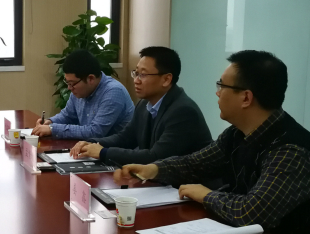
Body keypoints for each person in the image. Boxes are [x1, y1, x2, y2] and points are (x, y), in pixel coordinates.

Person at [114, 50, 310, 234]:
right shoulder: (238, 133)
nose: (217, 92)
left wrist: (206, 195)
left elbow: (252, 212)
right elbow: (196, 163)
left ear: (246, 98)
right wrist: (154, 169)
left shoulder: (290, 151)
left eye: (222, 85)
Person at [69, 46, 211, 164]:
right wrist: (93, 143)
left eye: (143, 75)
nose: (136, 80)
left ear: (166, 79)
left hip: (189, 186)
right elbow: (125, 138)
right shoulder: (144, 104)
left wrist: (103, 152)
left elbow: (155, 157)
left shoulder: (183, 111)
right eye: (136, 73)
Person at [32, 49, 134, 139]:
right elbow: (67, 115)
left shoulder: (113, 92)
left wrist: (53, 129)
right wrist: (50, 122)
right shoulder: (79, 90)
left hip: (116, 151)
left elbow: (95, 132)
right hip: (91, 148)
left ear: (91, 79)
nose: (69, 88)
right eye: (68, 83)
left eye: (72, 83)